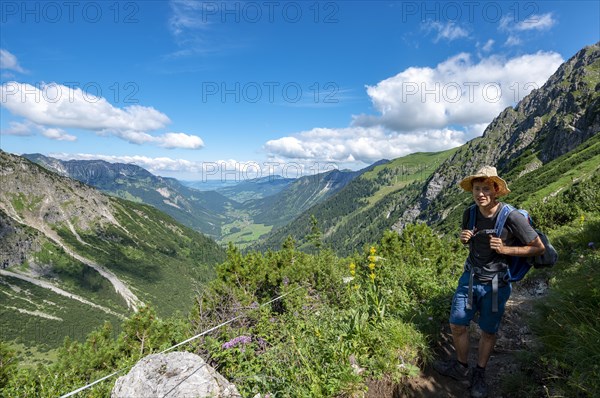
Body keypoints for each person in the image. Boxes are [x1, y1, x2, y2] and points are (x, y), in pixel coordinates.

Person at [434, 166, 545, 398]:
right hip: (470, 277)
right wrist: (464, 238)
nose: (480, 193)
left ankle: (480, 373)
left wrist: (506, 248)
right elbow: (472, 240)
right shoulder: (470, 213)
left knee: (488, 330)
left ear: (496, 190)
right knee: (457, 323)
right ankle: (462, 367)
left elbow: (538, 247)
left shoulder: (511, 217)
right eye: (477, 188)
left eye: (486, 188)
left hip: (496, 283)